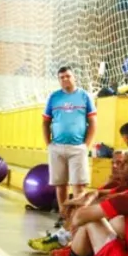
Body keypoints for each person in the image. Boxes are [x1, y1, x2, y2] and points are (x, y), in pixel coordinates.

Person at [43, 66, 97, 225]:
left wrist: (86, 145)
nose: (65, 79)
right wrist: (49, 144)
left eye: (68, 76)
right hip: (57, 147)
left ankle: (79, 216)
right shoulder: (54, 97)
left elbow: (93, 122)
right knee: (60, 185)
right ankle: (64, 216)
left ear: (74, 77)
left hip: (77, 147)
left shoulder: (85, 96)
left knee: (79, 185)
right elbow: (45, 122)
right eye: (61, 77)